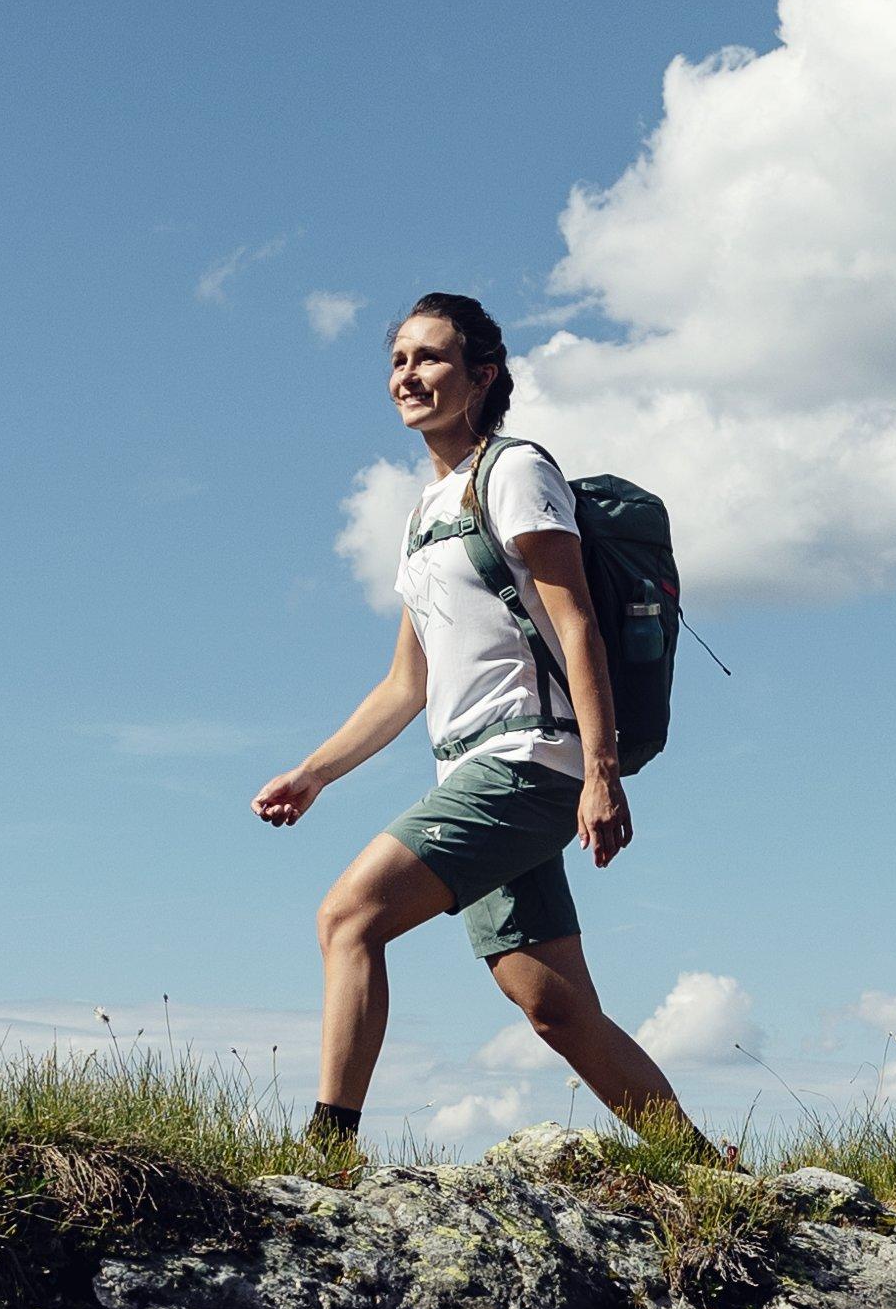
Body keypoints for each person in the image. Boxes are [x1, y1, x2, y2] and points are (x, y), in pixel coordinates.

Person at [251, 293, 697, 1162]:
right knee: (555, 1006)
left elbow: (578, 628)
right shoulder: (424, 514)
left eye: (430, 359)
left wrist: (600, 772)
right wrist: (313, 774)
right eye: (397, 362)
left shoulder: (518, 472)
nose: (407, 377)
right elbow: (404, 684)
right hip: (468, 771)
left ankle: (324, 1153)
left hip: (530, 761)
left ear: (482, 375)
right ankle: (713, 1172)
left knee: (348, 917)